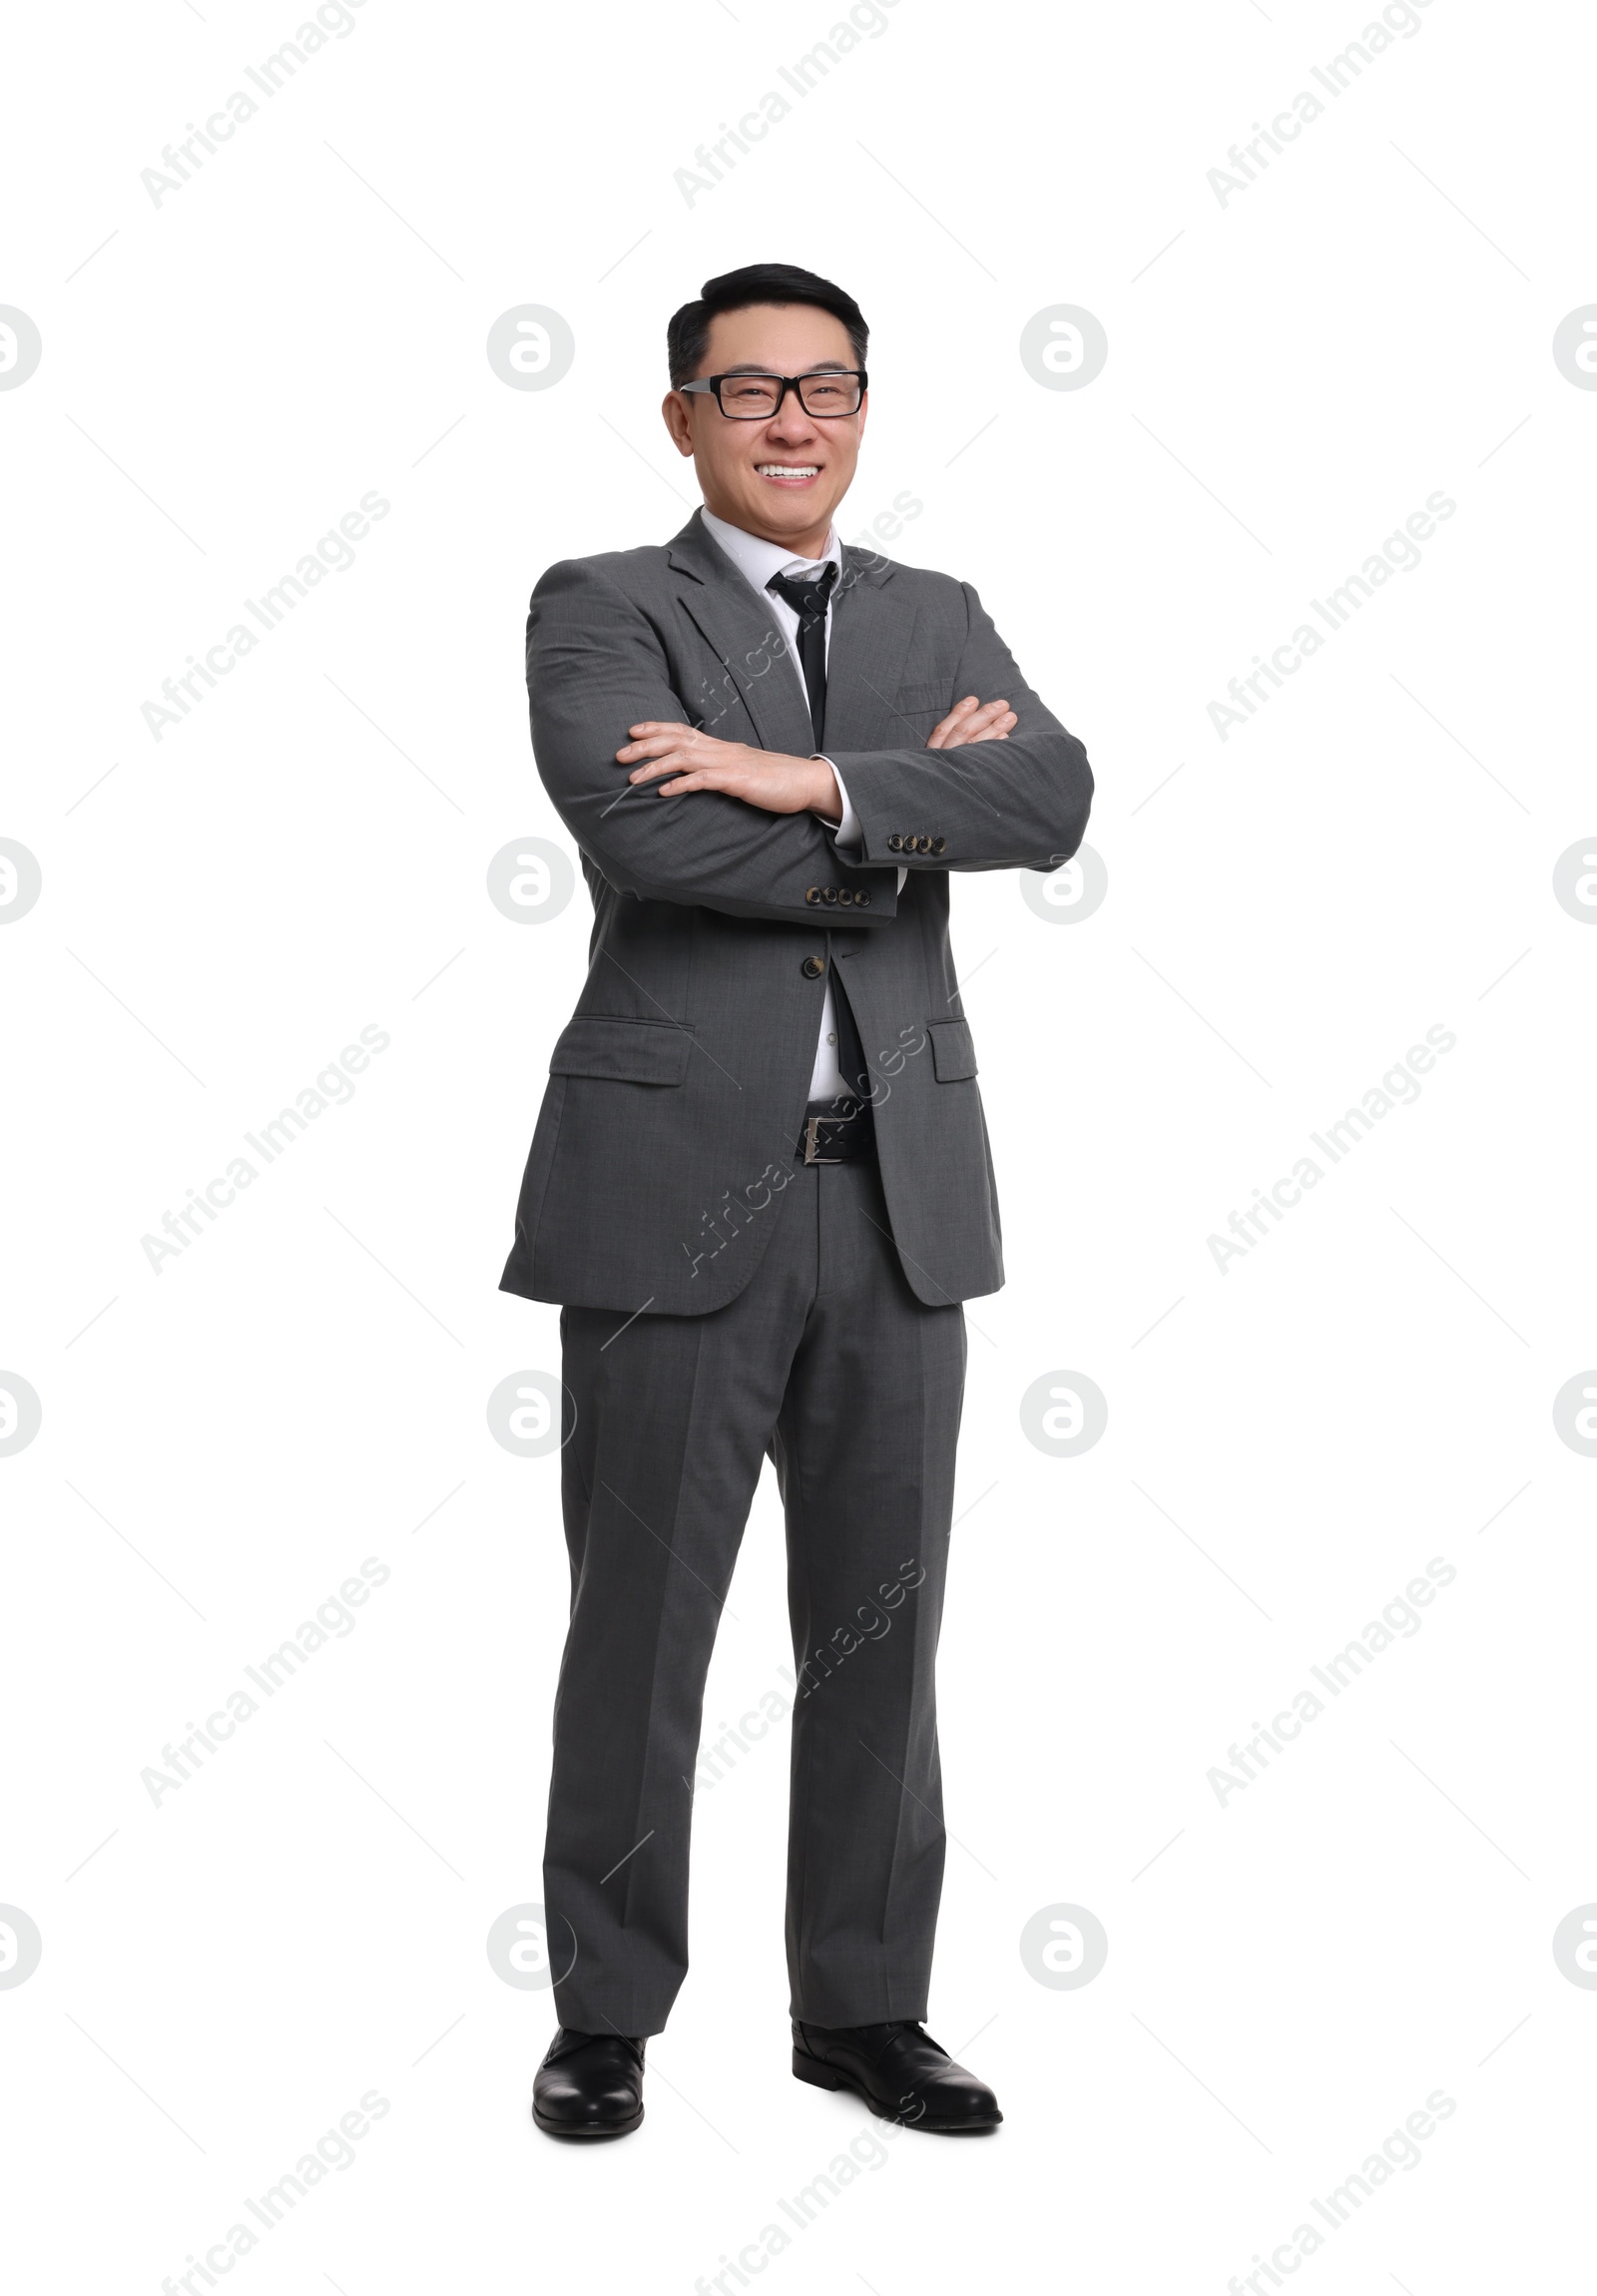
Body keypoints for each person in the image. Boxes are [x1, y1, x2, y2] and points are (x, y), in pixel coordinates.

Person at [500, 263, 1093, 2138]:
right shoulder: (604, 604)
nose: (790, 421)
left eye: (825, 387)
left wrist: (805, 773)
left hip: (901, 1198)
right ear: (682, 415)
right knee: (641, 1632)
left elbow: (1058, 800)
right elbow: (642, 827)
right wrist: (900, 817)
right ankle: (607, 2015)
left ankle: (861, 2008)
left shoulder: (938, 612)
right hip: (675, 1194)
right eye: (746, 389)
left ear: (863, 407)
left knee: (878, 1632)